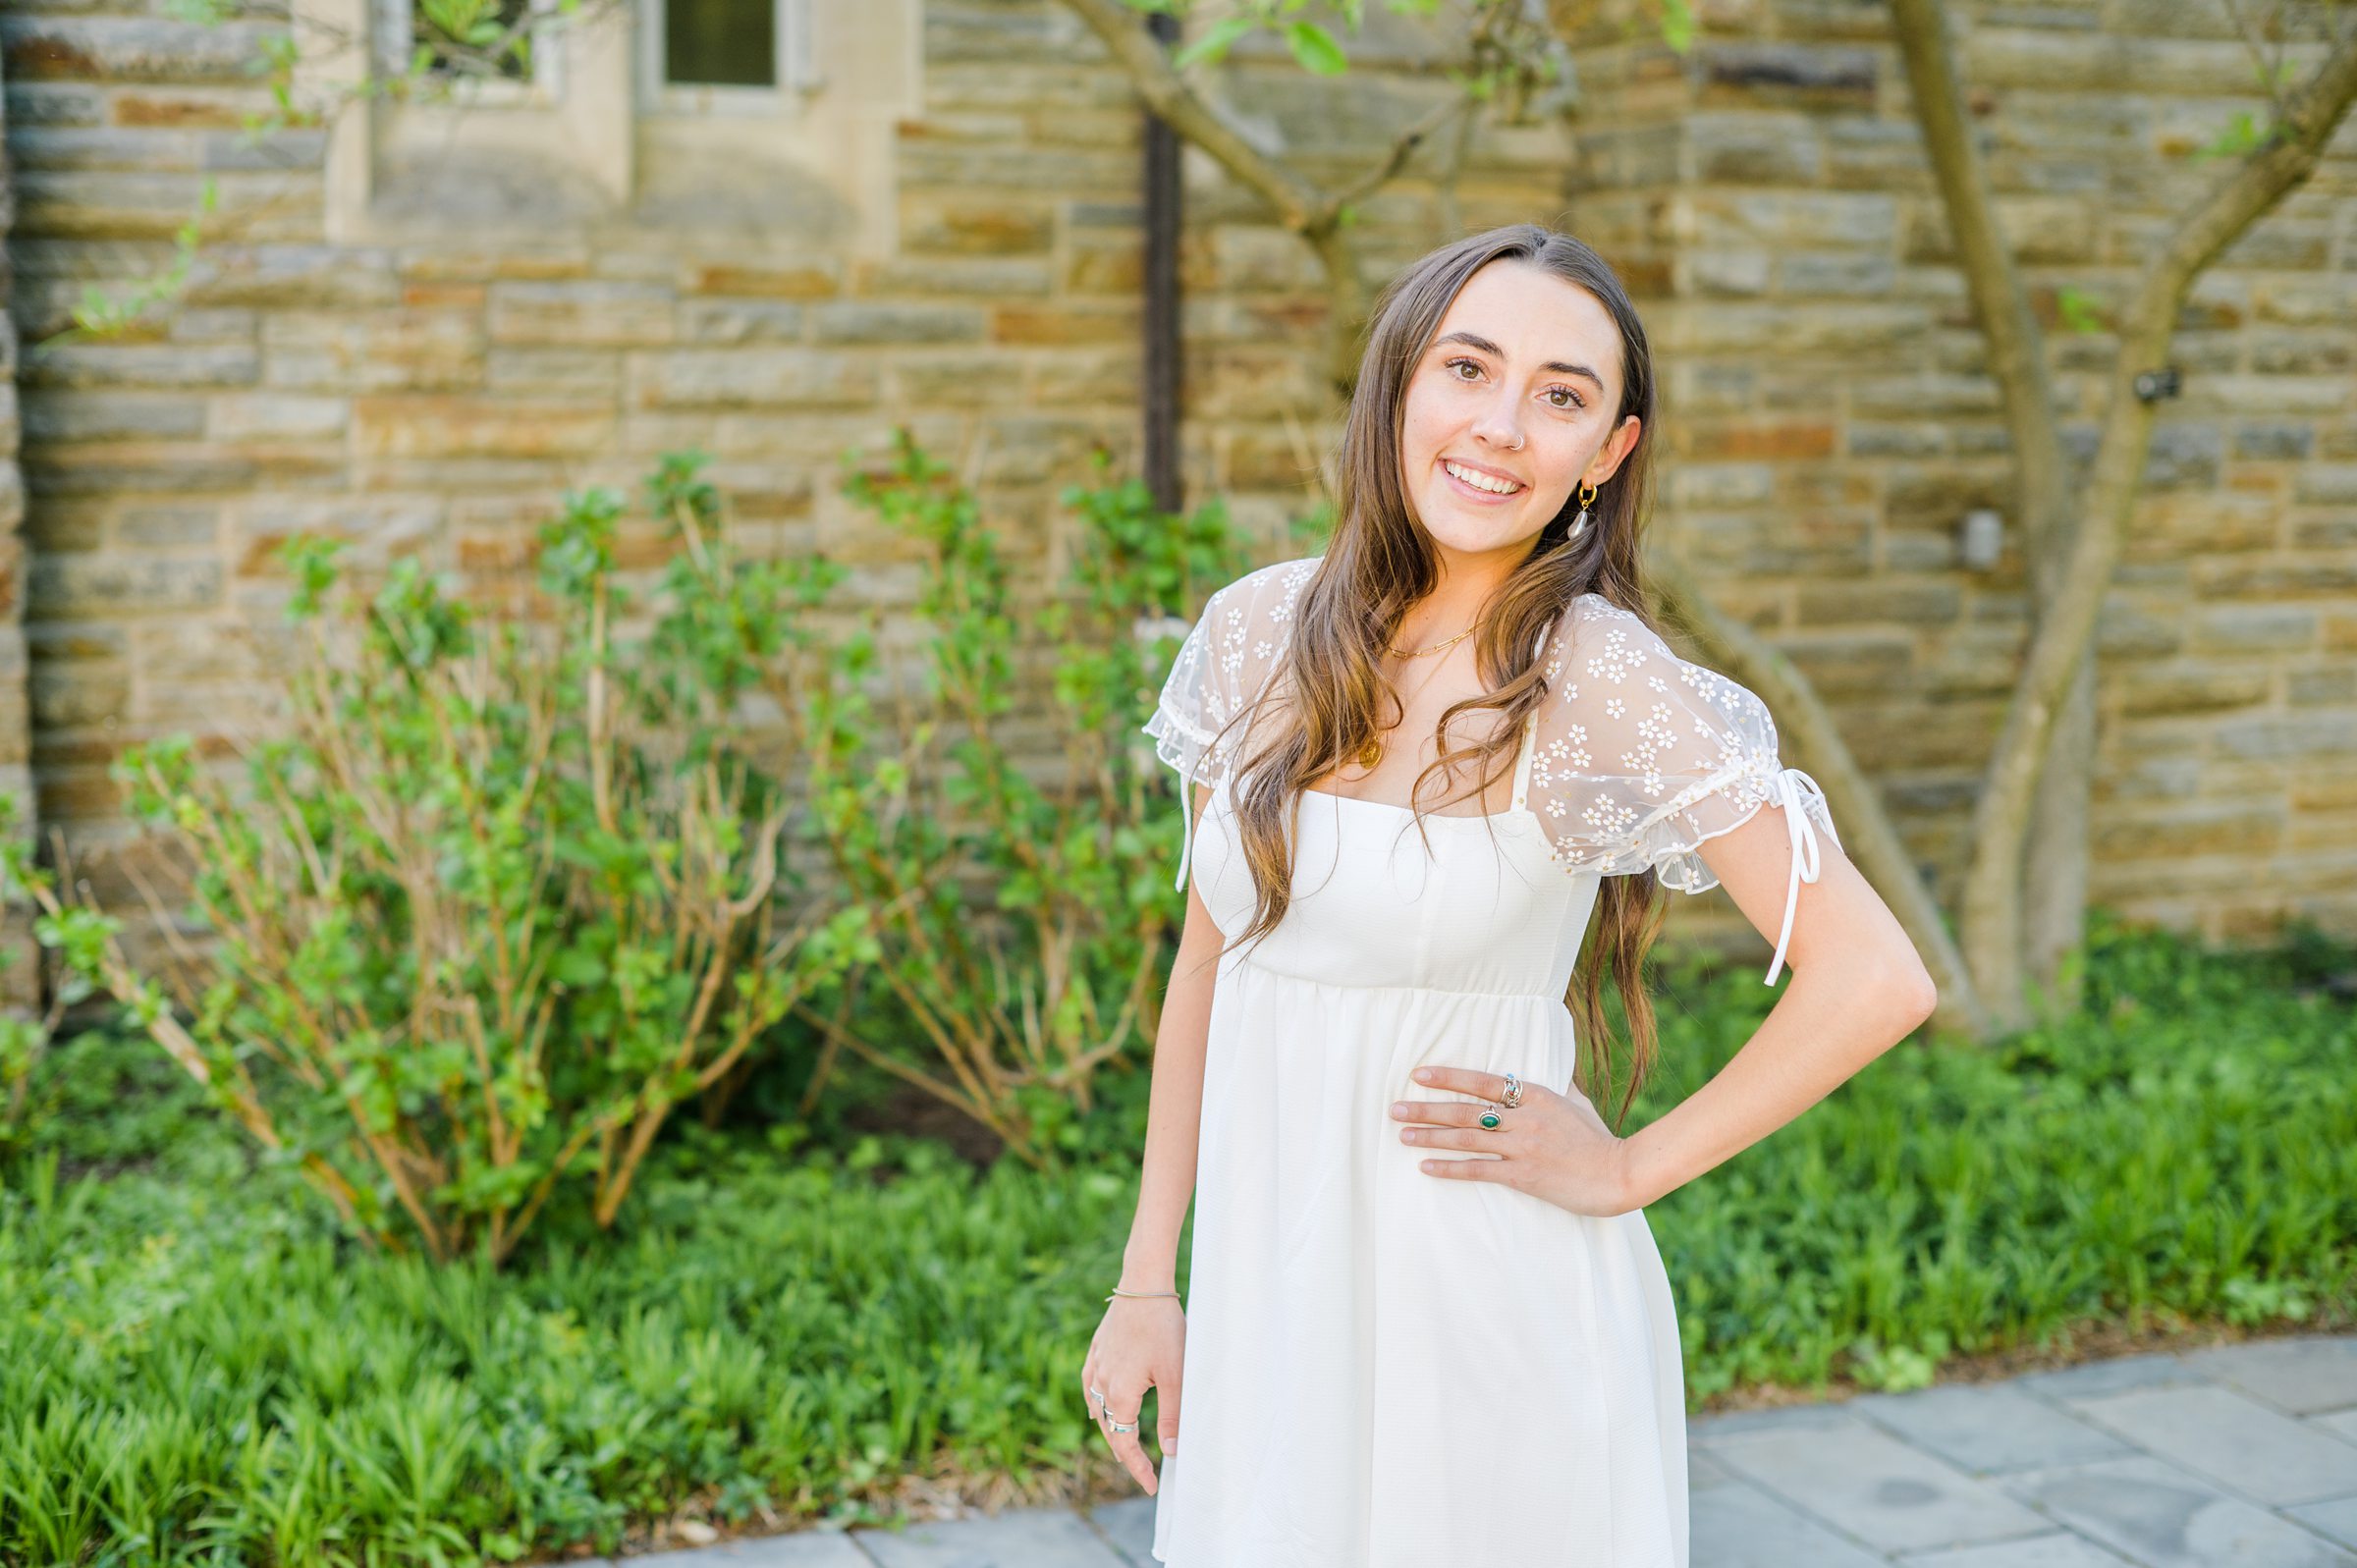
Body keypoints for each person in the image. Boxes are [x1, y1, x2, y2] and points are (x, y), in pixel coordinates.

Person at [1081, 223, 1940, 1567]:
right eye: (1468, 368)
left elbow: (1877, 975)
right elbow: (1210, 965)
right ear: (1400, 388)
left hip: (1479, 1302)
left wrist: (1628, 1167)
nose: (1500, 426)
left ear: (1608, 452)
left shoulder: (1596, 676)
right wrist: (1149, 1276)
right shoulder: (1255, 630)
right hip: (1273, 1299)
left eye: (1561, 395)